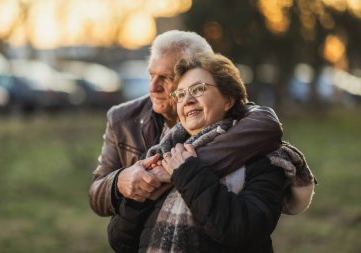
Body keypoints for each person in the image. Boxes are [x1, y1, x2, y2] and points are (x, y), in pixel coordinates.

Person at [107, 52, 315, 253]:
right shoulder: (162, 155)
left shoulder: (264, 159)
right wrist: (143, 195)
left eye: (198, 89)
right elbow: (120, 242)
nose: (187, 100)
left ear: (228, 99)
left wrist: (188, 174)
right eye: (180, 94)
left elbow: (243, 232)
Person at [88, 30, 283, 218]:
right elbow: (96, 194)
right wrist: (119, 182)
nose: (152, 87)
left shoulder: (243, 119)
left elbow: (268, 124)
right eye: (151, 75)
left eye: (165, 77)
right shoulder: (122, 118)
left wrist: (179, 169)